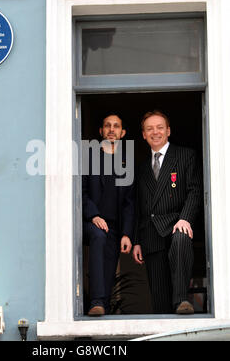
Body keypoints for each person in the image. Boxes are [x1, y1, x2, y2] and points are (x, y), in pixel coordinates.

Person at [133, 110, 202, 314]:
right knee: (160, 302)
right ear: (144, 134)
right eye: (150, 129)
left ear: (168, 131)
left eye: (160, 127)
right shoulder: (142, 168)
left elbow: (195, 190)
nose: (156, 132)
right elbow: (140, 207)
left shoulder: (185, 155)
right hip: (151, 234)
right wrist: (137, 239)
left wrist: (185, 219)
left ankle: (182, 299)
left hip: (175, 225)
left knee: (182, 238)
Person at [82, 113, 135, 316]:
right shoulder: (89, 157)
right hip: (91, 222)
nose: (111, 129)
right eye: (107, 126)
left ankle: (101, 305)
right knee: (98, 235)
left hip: (114, 227)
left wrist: (127, 234)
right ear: (101, 131)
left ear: (122, 133)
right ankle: (95, 302)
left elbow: (130, 202)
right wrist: (94, 215)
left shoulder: (125, 163)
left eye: (116, 126)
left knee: (110, 267)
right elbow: (81, 191)